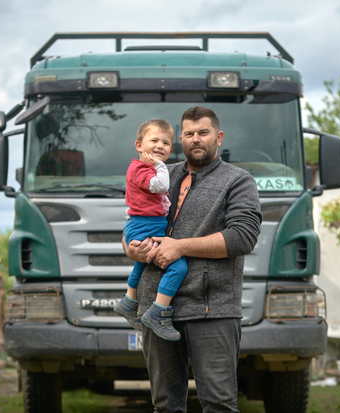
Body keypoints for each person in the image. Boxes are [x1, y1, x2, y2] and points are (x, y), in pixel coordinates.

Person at [123, 107, 262, 412]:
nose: (195, 139)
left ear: (218, 137)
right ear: (180, 140)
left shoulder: (238, 181)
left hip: (211, 309)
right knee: (165, 406)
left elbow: (242, 237)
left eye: (203, 132)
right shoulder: (161, 173)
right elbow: (134, 219)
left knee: (219, 404)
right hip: (156, 311)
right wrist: (130, 249)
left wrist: (180, 247)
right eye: (188, 134)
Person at [114, 119, 188, 341]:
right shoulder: (141, 168)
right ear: (139, 145)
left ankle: (128, 302)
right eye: (154, 140)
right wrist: (161, 166)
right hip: (146, 225)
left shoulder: (144, 168)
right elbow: (160, 186)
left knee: (141, 265)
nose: (160, 146)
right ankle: (158, 311)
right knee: (179, 267)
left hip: (147, 225)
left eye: (166, 143)